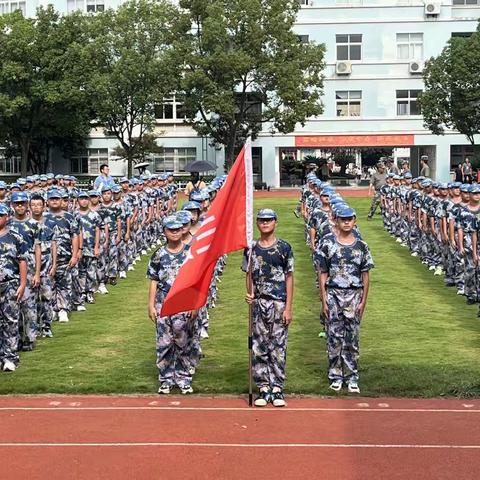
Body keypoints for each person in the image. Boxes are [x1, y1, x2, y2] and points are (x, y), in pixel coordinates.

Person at [314, 207, 374, 393]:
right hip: (333, 294)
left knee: (352, 338)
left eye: (350, 219)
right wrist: (323, 300)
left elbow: (365, 275)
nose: (347, 222)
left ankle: (352, 376)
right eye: (343, 219)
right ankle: (335, 375)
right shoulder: (327, 243)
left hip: (354, 295)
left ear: (354, 220)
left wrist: (363, 301)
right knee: (334, 337)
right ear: (336, 220)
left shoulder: (361, 246)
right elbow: (322, 273)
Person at [243, 209, 294, 407]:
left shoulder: (284, 248)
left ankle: (277, 387)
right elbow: (248, 274)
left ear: (275, 222)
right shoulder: (251, 248)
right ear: (256, 223)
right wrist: (250, 294)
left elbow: (289, 277)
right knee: (259, 346)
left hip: (278, 302)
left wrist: (288, 307)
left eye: (268, 220)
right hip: (259, 303)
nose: (265, 223)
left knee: (278, 346)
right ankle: (263, 387)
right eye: (261, 220)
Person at [147, 215, 197, 395]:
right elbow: (153, 280)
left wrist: (195, 305)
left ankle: (183, 378)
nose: (175, 233)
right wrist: (151, 305)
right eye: (171, 230)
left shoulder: (190, 253)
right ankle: (166, 379)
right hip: (163, 303)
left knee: (183, 342)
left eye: (177, 229)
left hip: (184, 304)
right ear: (164, 232)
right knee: (164, 342)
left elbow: (196, 282)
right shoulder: (159, 255)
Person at [0, 203, 27, 372]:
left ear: (6, 217)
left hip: (9, 285)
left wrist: (23, 284)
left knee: (10, 322)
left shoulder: (16, 237)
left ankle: (10, 357)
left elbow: (22, 260)